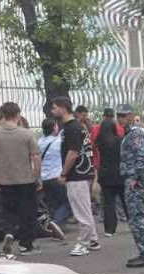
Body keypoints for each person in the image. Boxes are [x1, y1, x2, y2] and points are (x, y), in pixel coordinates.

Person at [0, 102, 42, 255]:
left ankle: (9, 232)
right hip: (26, 179)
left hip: (5, 180)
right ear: (18, 114)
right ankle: (26, 245)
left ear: (3, 115)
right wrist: (37, 176)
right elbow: (35, 156)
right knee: (27, 212)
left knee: (8, 211)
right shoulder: (27, 134)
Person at [51, 96, 99, 256]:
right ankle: (92, 239)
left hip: (77, 174)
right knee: (84, 208)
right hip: (83, 173)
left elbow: (73, 153)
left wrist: (63, 173)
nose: (52, 111)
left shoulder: (71, 128)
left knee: (81, 211)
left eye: (54, 108)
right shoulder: (77, 126)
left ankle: (83, 243)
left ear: (63, 108)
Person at [117, 104, 144, 267]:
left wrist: (135, 177)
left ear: (131, 116)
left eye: (123, 115)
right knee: (135, 218)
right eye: (118, 116)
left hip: (135, 181)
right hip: (132, 179)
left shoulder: (135, 133)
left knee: (137, 218)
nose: (120, 119)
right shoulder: (129, 134)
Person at [38, 118, 71, 229]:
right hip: (56, 177)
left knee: (52, 204)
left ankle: (55, 227)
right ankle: (56, 222)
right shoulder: (58, 142)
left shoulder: (39, 141)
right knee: (69, 202)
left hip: (43, 178)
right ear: (54, 128)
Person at [96, 113, 125, 236]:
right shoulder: (120, 140)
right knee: (125, 199)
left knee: (108, 202)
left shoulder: (99, 141)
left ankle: (109, 229)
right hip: (119, 173)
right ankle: (134, 222)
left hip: (105, 173)